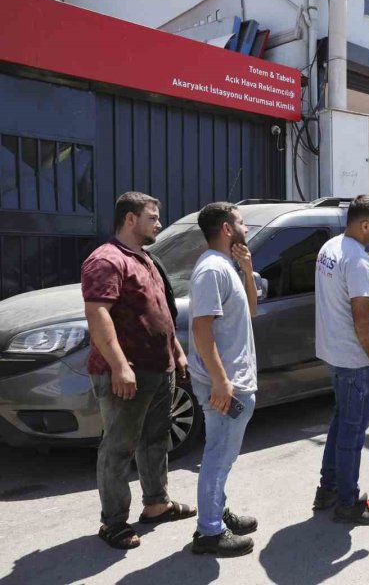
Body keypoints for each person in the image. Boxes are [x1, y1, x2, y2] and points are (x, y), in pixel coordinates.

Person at [82, 192, 195, 550]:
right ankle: (113, 522)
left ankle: (156, 504)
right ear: (130, 219)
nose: (159, 223)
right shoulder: (106, 260)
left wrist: (176, 351)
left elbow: (160, 311)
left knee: (155, 440)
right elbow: (97, 314)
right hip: (126, 373)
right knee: (118, 448)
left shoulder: (145, 258)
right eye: (153, 217)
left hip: (158, 369)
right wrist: (119, 366)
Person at [313, 195, 369, 525]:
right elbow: (362, 318)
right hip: (354, 358)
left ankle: (329, 487)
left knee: (341, 422)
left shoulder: (331, 247)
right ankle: (348, 501)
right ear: (365, 225)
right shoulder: (358, 261)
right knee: (352, 432)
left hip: (337, 353)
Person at [188, 202, 259, 557]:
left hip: (234, 380)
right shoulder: (211, 270)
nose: (246, 228)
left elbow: (251, 309)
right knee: (218, 456)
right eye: (242, 222)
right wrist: (220, 381)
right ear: (227, 228)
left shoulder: (227, 266)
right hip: (225, 384)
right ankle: (209, 532)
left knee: (223, 456)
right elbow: (202, 329)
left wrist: (247, 269)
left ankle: (216, 512)